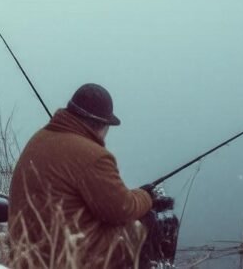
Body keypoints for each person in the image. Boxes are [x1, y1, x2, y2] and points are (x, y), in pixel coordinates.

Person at [8, 83, 153, 269]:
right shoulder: (94, 156)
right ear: (102, 125)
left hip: (26, 252)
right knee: (144, 224)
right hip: (64, 258)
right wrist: (147, 196)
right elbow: (123, 209)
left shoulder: (40, 137)